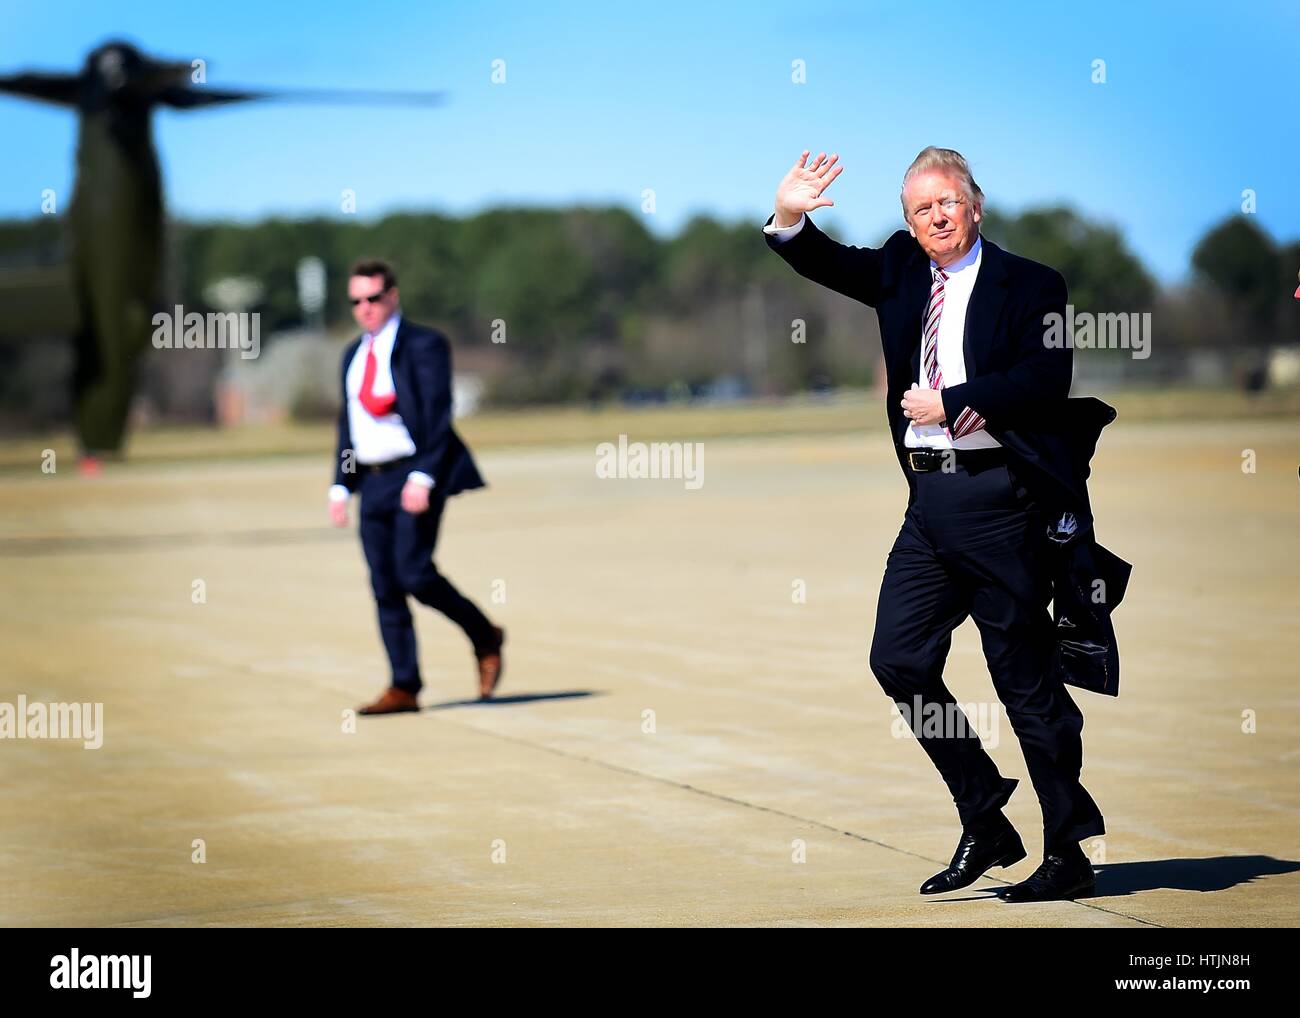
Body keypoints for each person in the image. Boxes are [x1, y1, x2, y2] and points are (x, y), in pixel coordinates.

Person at [764, 147, 1125, 902]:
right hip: (928, 505)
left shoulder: (1032, 284)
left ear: (976, 204)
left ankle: (1068, 852)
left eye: (948, 202)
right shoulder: (900, 268)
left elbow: (1042, 380)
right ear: (909, 221)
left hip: (1002, 503)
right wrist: (791, 215)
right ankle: (985, 814)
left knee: (1023, 685)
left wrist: (954, 398)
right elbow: (824, 263)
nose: (937, 217)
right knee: (897, 657)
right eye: (922, 208)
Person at [328, 259, 504, 713]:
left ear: (392, 296)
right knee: (384, 585)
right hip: (372, 480)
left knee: (415, 574)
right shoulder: (353, 355)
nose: (364, 308)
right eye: (356, 301)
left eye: (373, 298)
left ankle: (483, 634)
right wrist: (340, 486)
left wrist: (423, 476)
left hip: (414, 473)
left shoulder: (423, 345)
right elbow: (349, 424)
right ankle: (404, 686)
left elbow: (439, 416)